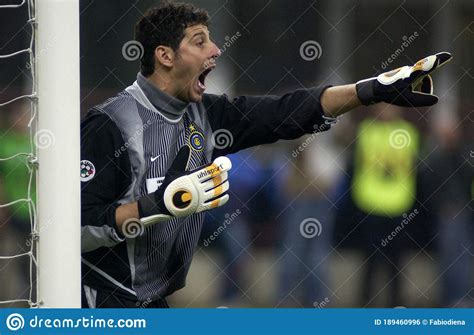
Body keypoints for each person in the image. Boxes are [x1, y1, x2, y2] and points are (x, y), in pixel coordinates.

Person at [80, 2, 451, 308]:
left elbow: (284, 112)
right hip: (104, 303)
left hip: (156, 301)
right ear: (164, 55)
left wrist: (370, 91)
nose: (215, 50)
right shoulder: (110, 125)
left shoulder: (205, 115)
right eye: (200, 42)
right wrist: (158, 205)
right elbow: (76, 229)